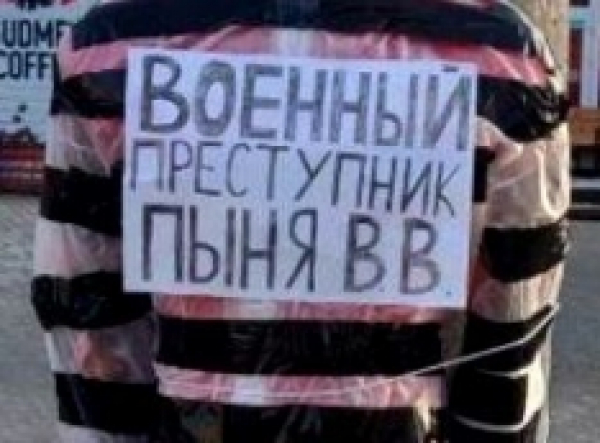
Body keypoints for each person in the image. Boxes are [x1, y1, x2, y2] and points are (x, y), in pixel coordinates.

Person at [32, 0, 570, 441]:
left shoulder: (108, 50)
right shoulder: (501, 57)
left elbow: (89, 316)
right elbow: (511, 328)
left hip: (197, 426)